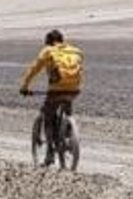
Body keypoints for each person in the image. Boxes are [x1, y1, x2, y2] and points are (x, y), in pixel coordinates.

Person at [19, 29, 84, 166]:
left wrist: (24, 86)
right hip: (74, 90)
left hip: (56, 91)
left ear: (49, 41)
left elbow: (34, 69)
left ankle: (50, 153)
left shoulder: (48, 51)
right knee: (66, 107)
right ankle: (67, 133)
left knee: (48, 116)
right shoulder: (76, 51)